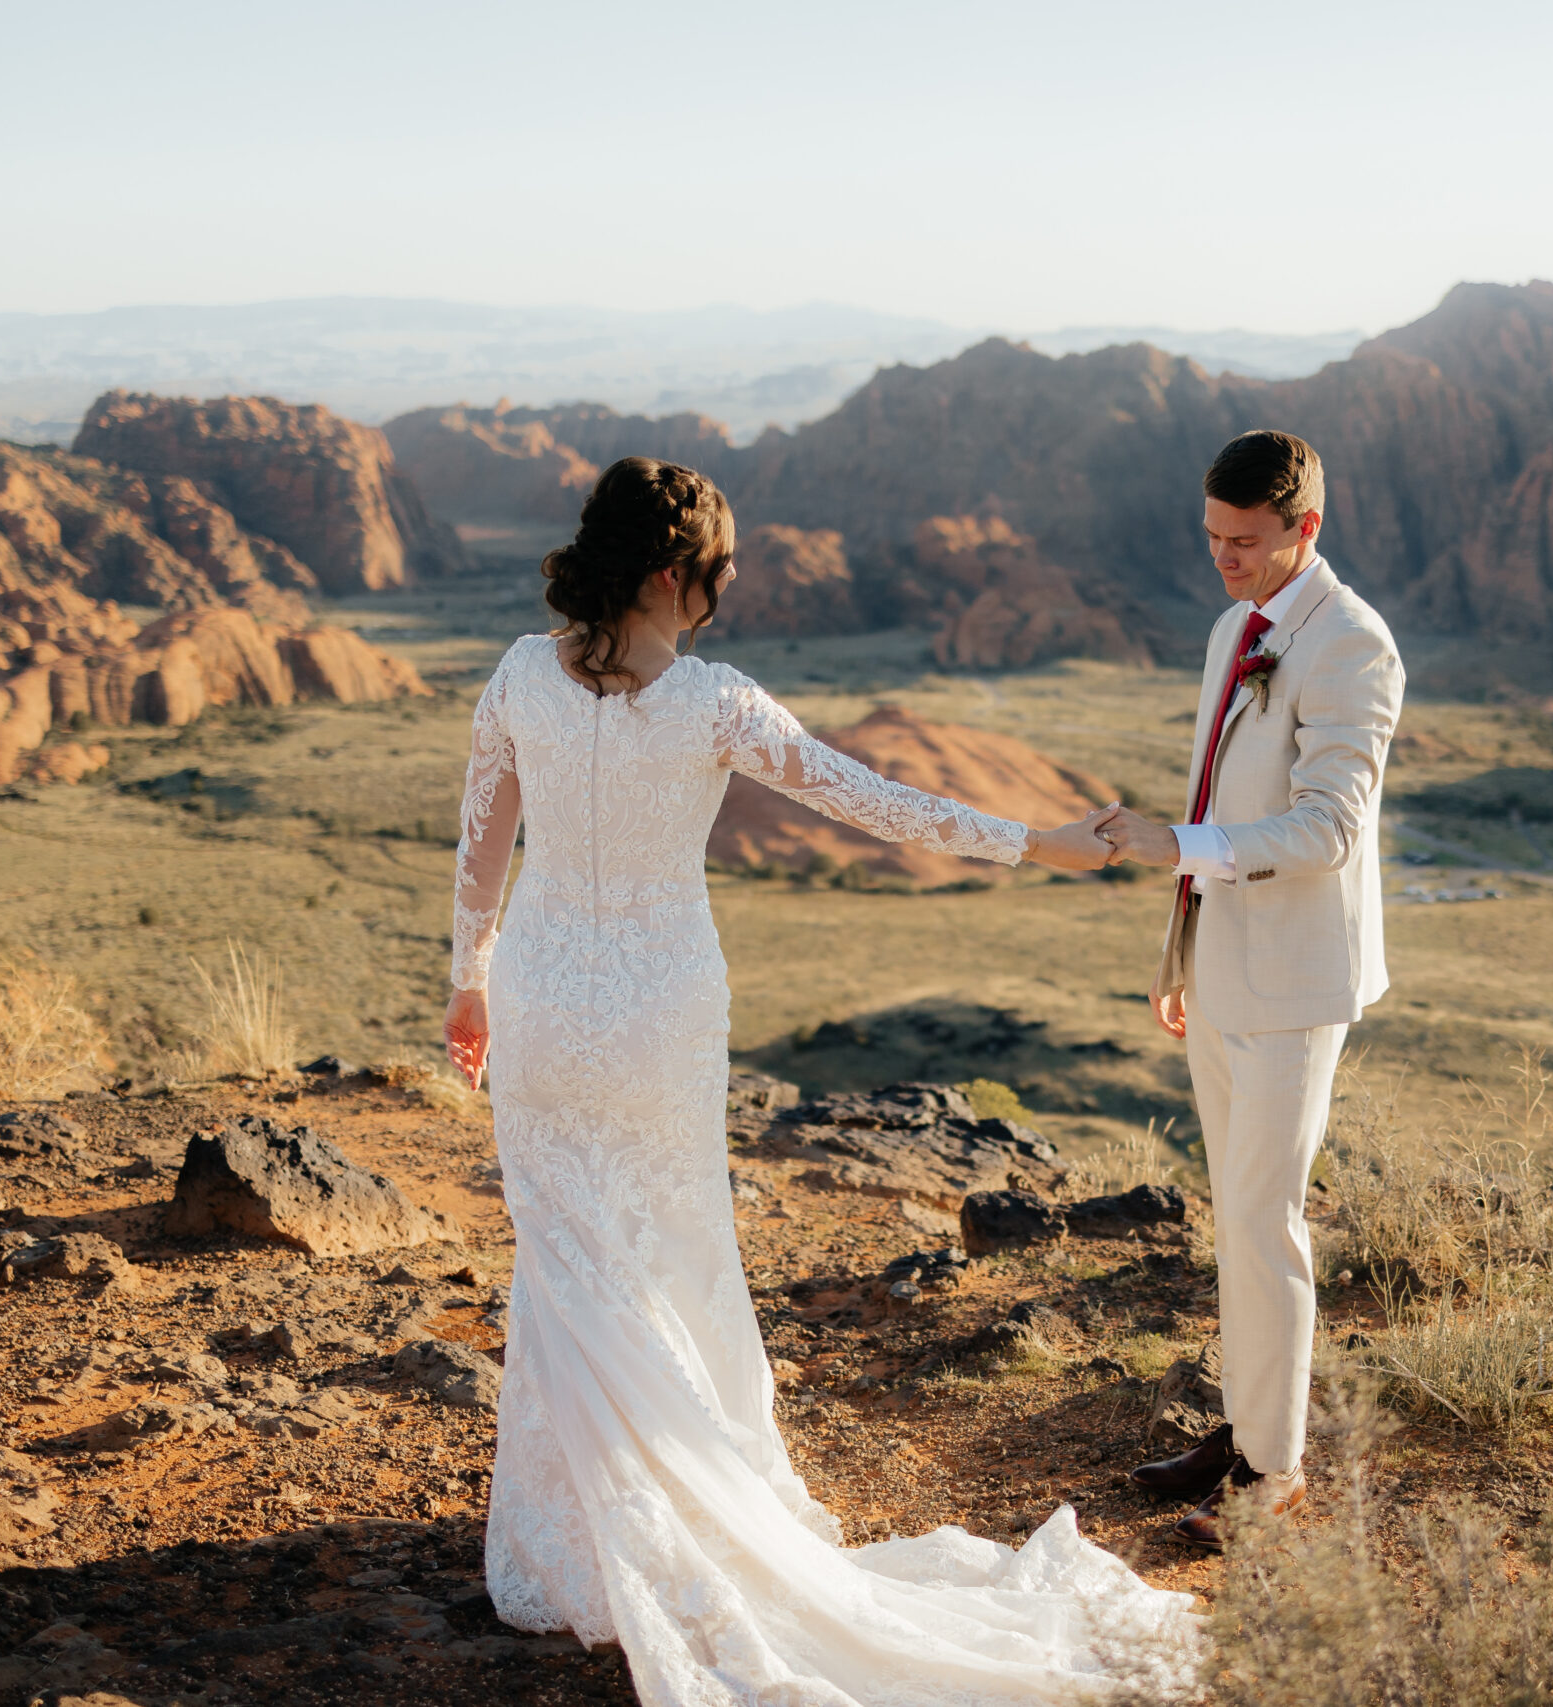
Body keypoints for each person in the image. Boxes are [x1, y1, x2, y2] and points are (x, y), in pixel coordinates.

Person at [441, 455, 1197, 1705]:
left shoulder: (520, 673)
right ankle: (686, 1517)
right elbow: (876, 804)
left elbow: (482, 849)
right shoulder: (718, 703)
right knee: (671, 1253)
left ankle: (568, 1549)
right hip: (659, 1011)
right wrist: (1037, 843)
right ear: (676, 574)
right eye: (714, 579)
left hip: (542, 1004)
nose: (716, 603)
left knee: (568, 1263)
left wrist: (471, 980)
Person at [1097, 430, 1404, 1551]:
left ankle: (1274, 1483)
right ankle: (1243, 1428)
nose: (1222, 559)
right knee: (1232, 1219)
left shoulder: (1351, 646)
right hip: (1222, 972)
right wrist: (1180, 956)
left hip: (1293, 987)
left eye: (1245, 541)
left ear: (1304, 530)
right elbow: (1217, 792)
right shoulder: (1238, 626)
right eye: (1212, 537)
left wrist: (1166, 842)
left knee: (1267, 1225)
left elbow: (1324, 830)